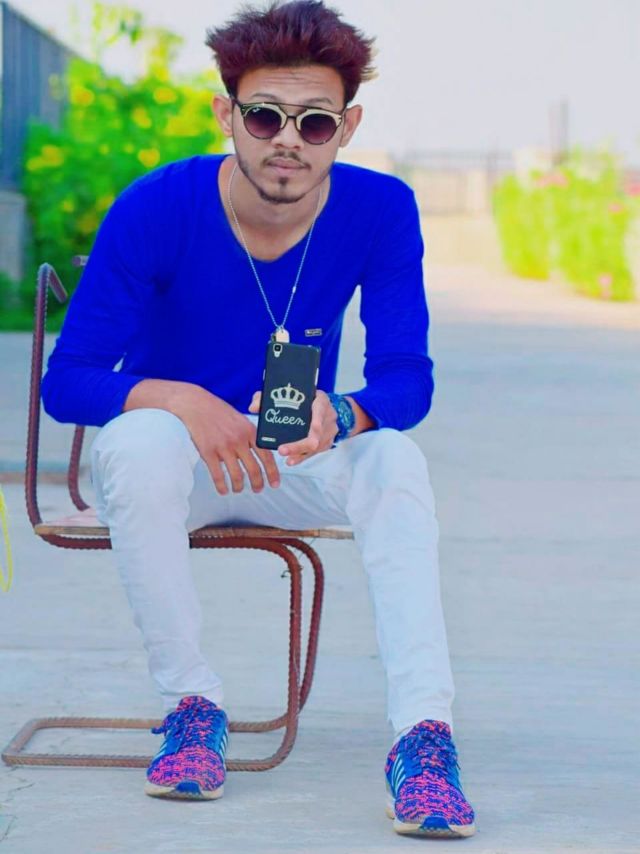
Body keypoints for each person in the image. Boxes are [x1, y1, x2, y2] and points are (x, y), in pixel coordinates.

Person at [41, 0, 475, 839]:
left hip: (293, 459)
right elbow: (70, 382)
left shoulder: (381, 209)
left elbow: (407, 379)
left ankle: (424, 739)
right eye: (266, 115)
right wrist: (181, 400)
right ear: (226, 113)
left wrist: (342, 413)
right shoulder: (157, 206)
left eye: (315, 123)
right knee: (137, 441)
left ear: (347, 128)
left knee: (396, 461)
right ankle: (191, 707)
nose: (288, 140)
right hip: (180, 472)